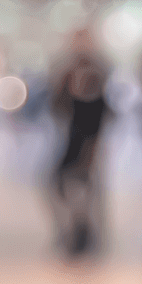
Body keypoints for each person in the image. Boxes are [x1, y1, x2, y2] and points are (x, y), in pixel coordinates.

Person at [50, 31, 111, 257]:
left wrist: (92, 147)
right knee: (59, 185)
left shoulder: (98, 75)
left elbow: (100, 113)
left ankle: (85, 232)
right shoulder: (67, 73)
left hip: (89, 141)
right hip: (70, 139)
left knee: (87, 188)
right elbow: (57, 106)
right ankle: (73, 229)